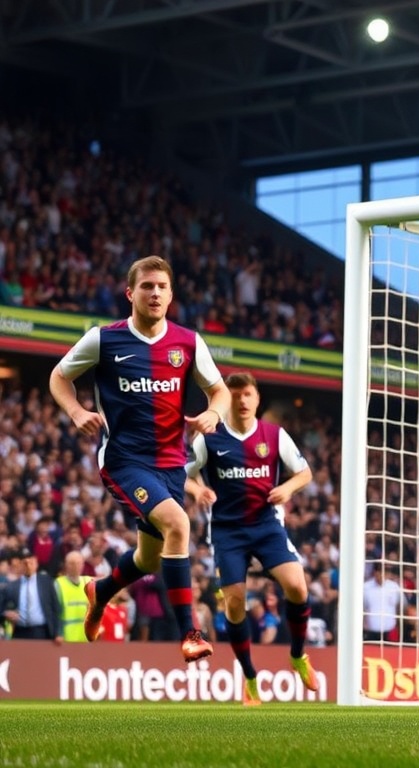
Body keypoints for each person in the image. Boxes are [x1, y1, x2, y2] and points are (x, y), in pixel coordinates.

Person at [49, 254, 230, 663]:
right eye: (147, 286)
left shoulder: (188, 342)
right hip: (124, 461)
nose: (155, 293)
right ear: (131, 293)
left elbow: (219, 391)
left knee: (149, 558)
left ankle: (101, 591)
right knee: (178, 524)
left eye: (162, 287)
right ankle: (190, 633)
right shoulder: (104, 339)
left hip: (171, 465)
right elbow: (58, 376)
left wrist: (213, 413)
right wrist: (77, 411)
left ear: (171, 295)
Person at [184, 370, 318, 706]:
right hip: (228, 531)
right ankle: (249, 677)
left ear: (257, 400)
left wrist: (286, 488)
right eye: (236, 395)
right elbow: (178, 473)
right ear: (227, 399)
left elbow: (304, 473)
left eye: (248, 395)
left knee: (298, 588)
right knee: (235, 603)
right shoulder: (209, 438)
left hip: (266, 525)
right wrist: (198, 488)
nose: (242, 400)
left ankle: (299, 655)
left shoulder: (274, 435)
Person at [1, 548, 60, 640]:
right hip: (19, 631)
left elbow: (55, 608)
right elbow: (1, 607)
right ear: (20, 566)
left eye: (31, 562)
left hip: (41, 631)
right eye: (25, 563)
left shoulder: (46, 582)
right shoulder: (12, 586)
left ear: (36, 564)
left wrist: (57, 633)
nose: (28, 566)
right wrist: (5, 613)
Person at [54, 551, 92, 643]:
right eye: (72, 563)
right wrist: (58, 633)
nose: (75, 566)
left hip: (85, 638)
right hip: (66, 638)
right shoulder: (58, 584)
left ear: (83, 565)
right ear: (66, 565)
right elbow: (55, 612)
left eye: (78, 563)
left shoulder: (88, 582)